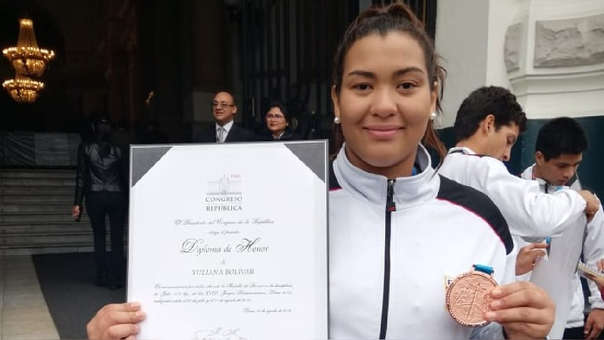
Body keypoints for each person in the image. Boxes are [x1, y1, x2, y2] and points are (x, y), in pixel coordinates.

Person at [85, 3, 554, 339]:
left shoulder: (481, 219)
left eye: (407, 84)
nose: (384, 105)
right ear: (336, 99)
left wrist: (519, 335)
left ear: (433, 97)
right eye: (362, 84)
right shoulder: (277, 206)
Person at [439, 86, 600, 239]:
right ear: (489, 124)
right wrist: (579, 198)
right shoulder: (481, 168)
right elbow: (538, 217)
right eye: (509, 140)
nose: (507, 155)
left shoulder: (443, 169)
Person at [519, 117, 604, 340]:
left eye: (576, 165)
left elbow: (598, 253)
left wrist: (599, 305)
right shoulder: (515, 194)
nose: (568, 173)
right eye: (562, 165)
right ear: (539, 157)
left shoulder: (589, 202)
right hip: (523, 315)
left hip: (570, 318)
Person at [73, 115, 127, 289]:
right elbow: (125, 176)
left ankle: (102, 276)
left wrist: (77, 203)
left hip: (95, 195)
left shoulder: (85, 147)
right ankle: (117, 278)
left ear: (94, 128)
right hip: (116, 194)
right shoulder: (119, 148)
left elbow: (81, 176)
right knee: (117, 238)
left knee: (99, 236)